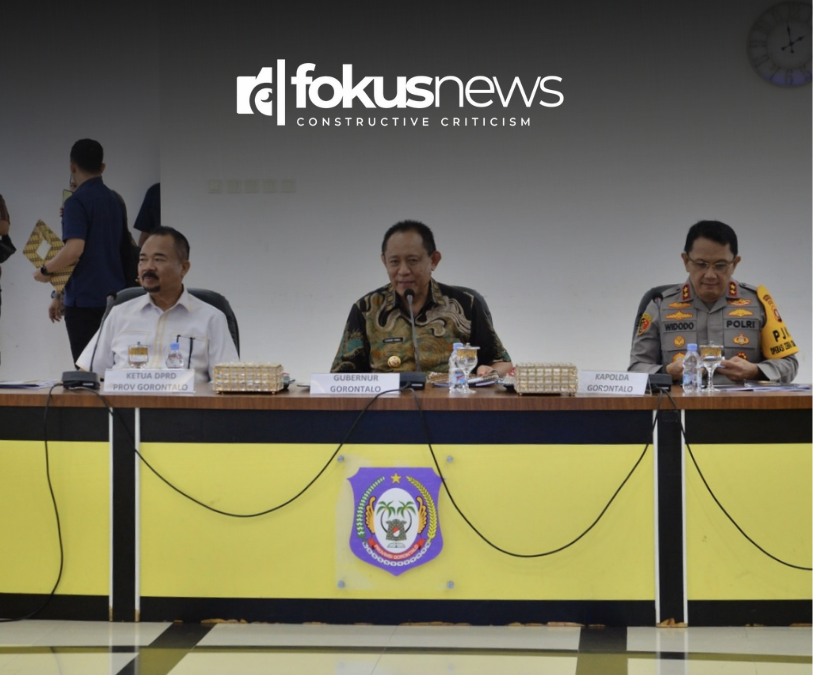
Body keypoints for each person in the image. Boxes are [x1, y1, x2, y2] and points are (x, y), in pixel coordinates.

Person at [331, 220, 512, 376]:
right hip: (386, 411)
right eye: (394, 262)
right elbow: (342, 375)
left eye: (412, 261)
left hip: (453, 410)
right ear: (384, 262)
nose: (403, 271)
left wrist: (489, 373)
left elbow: (502, 363)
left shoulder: (465, 305)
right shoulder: (366, 309)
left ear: (434, 260)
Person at [629, 220, 798, 383]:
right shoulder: (659, 305)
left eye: (720, 265)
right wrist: (668, 373)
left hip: (743, 408)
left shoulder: (759, 303)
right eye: (701, 264)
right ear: (686, 261)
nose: (710, 274)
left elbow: (789, 364)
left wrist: (755, 371)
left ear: (735, 264)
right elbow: (636, 369)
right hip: (681, 407)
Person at [76, 226, 238, 382]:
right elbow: (88, 373)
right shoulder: (119, 314)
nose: (148, 267)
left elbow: (228, 381)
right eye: (142, 260)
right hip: (125, 409)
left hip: (186, 409)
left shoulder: (211, 318)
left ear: (184, 268)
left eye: (158, 259)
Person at [34, 139, 127, 363]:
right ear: (102, 167)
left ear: (72, 166)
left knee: (87, 372)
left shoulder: (76, 203)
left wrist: (45, 270)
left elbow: (74, 251)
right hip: (116, 298)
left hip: (85, 301)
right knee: (114, 369)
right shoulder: (115, 199)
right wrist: (59, 294)